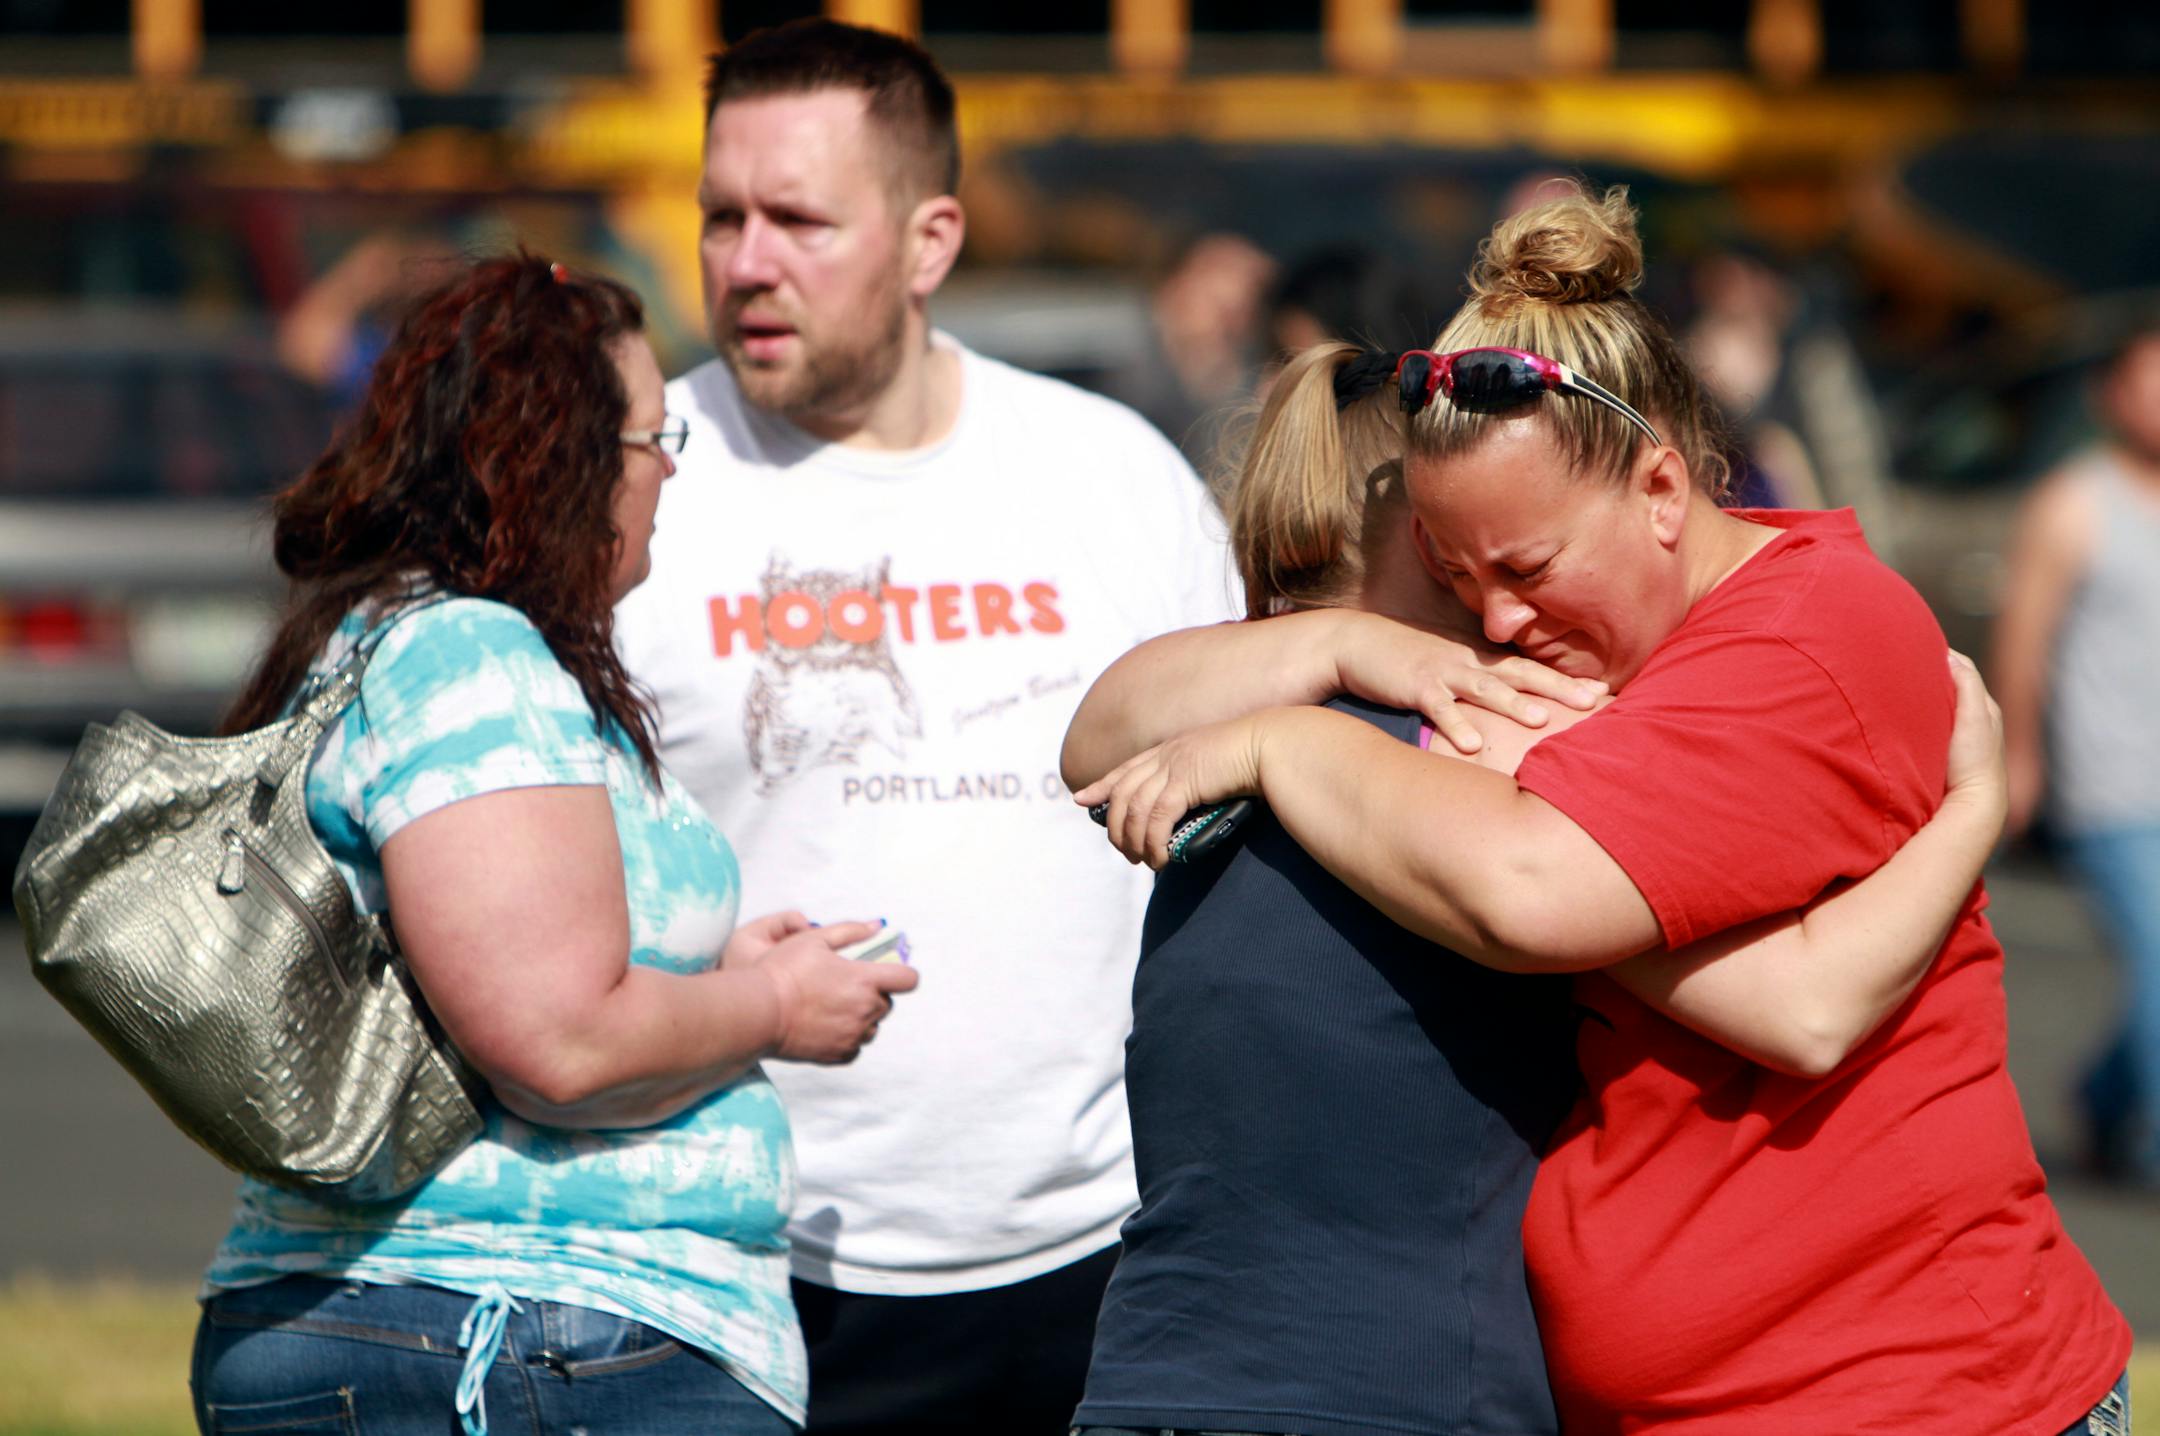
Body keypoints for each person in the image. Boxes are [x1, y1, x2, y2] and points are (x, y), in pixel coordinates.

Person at [606, 20, 1581, 1433]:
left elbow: (1254, 771)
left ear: (931, 236)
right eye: (722, 217)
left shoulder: (1103, 474)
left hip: (1097, 1257)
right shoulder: (646, 489)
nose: (748, 260)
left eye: (800, 220)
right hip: (749, 1259)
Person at [1066, 186, 2130, 1434]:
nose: (1501, 623)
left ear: (1663, 489)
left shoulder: (1803, 631)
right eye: (1462, 584)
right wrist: (1356, 649)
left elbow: (1667, 951)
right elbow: (1100, 733)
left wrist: (1278, 740)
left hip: (1915, 1390)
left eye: (1527, 568)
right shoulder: (1570, 679)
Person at [191, 254, 917, 1435]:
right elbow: (559, 1039)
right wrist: (775, 1006)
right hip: (528, 1337)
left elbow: (515, 968)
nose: (668, 474)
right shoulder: (468, 656)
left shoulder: (410, 642)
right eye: (654, 438)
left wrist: (718, 969)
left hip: (491, 1336)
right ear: (564, 454)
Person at [1993, 311, 2160, 1190]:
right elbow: (2025, 641)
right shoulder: (2072, 504)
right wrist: (2019, 759)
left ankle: (2102, 1096)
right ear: (2115, 394)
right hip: (2113, 790)